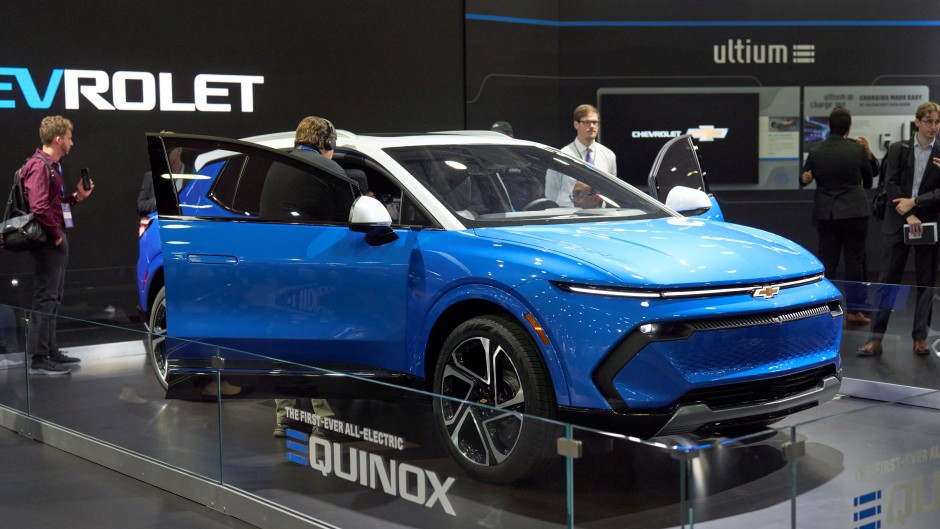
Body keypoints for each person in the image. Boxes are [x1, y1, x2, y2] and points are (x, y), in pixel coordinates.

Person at [261, 115, 346, 436]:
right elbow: (350, 221)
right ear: (326, 143)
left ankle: (284, 417)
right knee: (316, 342)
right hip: (312, 270)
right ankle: (324, 418)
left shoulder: (276, 166)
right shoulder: (329, 169)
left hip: (274, 268)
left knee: (284, 342)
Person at [857, 101, 940, 357]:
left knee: (926, 282)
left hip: (927, 223)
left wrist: (916, 203)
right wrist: (909, 214)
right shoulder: (898, 149)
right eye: (929, 122)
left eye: (937, 122)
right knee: (888, 281)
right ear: (917, 122)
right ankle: (875, 339)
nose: (933, 127)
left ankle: (920, 338)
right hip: (898, 221)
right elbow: (890, 184)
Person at [21, 116, 94, 375]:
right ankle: (39, 358)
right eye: (70, 138)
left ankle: (49, 351)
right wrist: (56, 235)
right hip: (48, 240)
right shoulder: (39, 165)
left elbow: (54, 204)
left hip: (55, 237)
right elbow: (39, 207)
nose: (72, 143)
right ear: (58, 138)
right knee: (45, 297)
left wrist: (76, 197)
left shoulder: (52, 166)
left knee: (53, 296)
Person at [800, 108, 875, 327]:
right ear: (848, 127)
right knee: (855, 261)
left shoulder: (816, 151)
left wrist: (805, 179)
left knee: (828, 262)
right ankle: (856, 311)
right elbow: (870, 181)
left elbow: (804, 179)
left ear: (829, 126)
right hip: (855, 212)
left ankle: (827, 310)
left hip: (827, 213)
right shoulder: (857, 150)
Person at [259, 115, 351, 222]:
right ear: (329, 143)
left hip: (268, 229)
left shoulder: (277, 163)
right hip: (311, 232)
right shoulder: (331, 169)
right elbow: (348, 217)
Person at [547, 104, 617, 206]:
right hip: (569, 213)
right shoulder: (562, 155)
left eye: (595, 122)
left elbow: (611, 191)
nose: (592, 126)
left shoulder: (609, 155)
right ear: (576, 124)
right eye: (587, 122)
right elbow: (551, 193)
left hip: (600, 212)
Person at [137, 142, 184, 216]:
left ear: (179, 150)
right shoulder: (150, 176)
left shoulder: (193, 173)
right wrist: (157, 202)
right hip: (161, 220)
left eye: (168, 149)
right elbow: (140, 206)